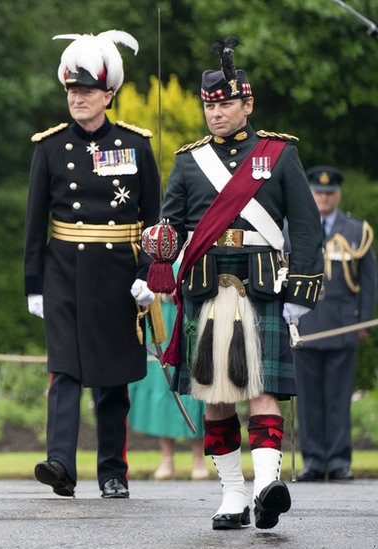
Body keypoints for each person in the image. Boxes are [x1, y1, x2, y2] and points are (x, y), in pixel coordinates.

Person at [160, 37, 323, 531]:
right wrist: (156, 261)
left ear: (247, 103)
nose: (216, 113)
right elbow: (171, 230)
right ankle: (232, 495)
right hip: (208, 290)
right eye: (209, 105)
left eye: (226, 103)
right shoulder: (189, 162)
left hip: (263, 288)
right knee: (215, 395)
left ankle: (266, 488)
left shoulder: (279, 154)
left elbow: (307, 227)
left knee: (263, 390)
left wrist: (300, 293)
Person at [23, 30, 160, 500]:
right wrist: (34, 285)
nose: (77, 98)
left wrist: (150, 276)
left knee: (112, 379)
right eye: (71, 90)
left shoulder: (135, 146)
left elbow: (154, 220)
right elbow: (34, 222)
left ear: (109, 95)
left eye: (86, 90)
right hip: (63, 274)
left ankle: (112, 471)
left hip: (119, 275)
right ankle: (60, 463)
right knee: (63, 371)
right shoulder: (48, 147)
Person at [293, 166, 376, 482]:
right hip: (305, 324)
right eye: (318, 192)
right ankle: (313, 461)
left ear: (338, 195)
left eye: (329, 193)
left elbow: (369, 281)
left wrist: (364, 321)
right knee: (309, 399)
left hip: (343, 326)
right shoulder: (295, 228)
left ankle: (339, 461)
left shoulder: (356, 230)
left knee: (338, 398)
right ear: (311, 194)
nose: (324, 198)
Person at [127, 259, 208, 481]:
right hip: (160, 317)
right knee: (161, 387)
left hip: (190, 315)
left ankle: (198, 457)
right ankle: (167, 457)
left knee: (195, 386)